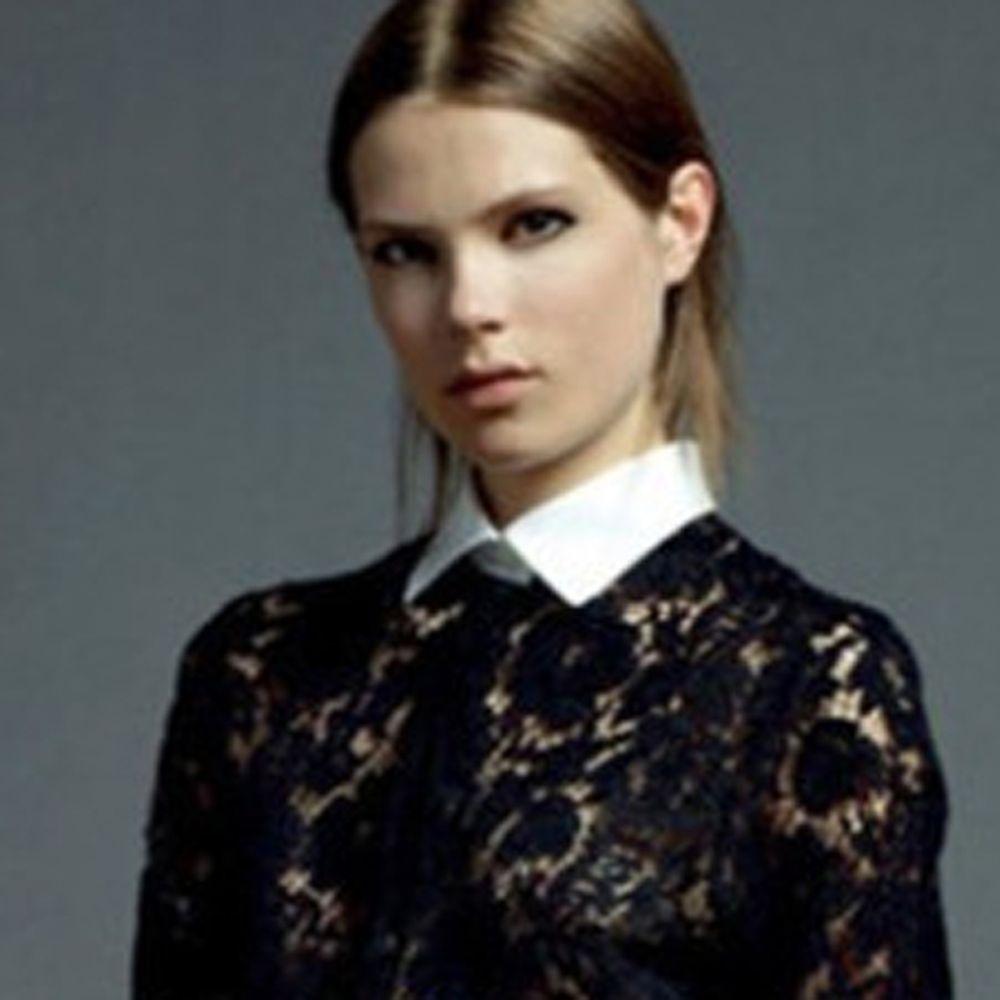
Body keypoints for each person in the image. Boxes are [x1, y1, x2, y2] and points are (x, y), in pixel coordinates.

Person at [130, 0, 954, 996]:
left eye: (533, 225)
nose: (468, 307)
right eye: (406, 251)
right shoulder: (260, 672)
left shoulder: (804, 686)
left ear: (680, 222)